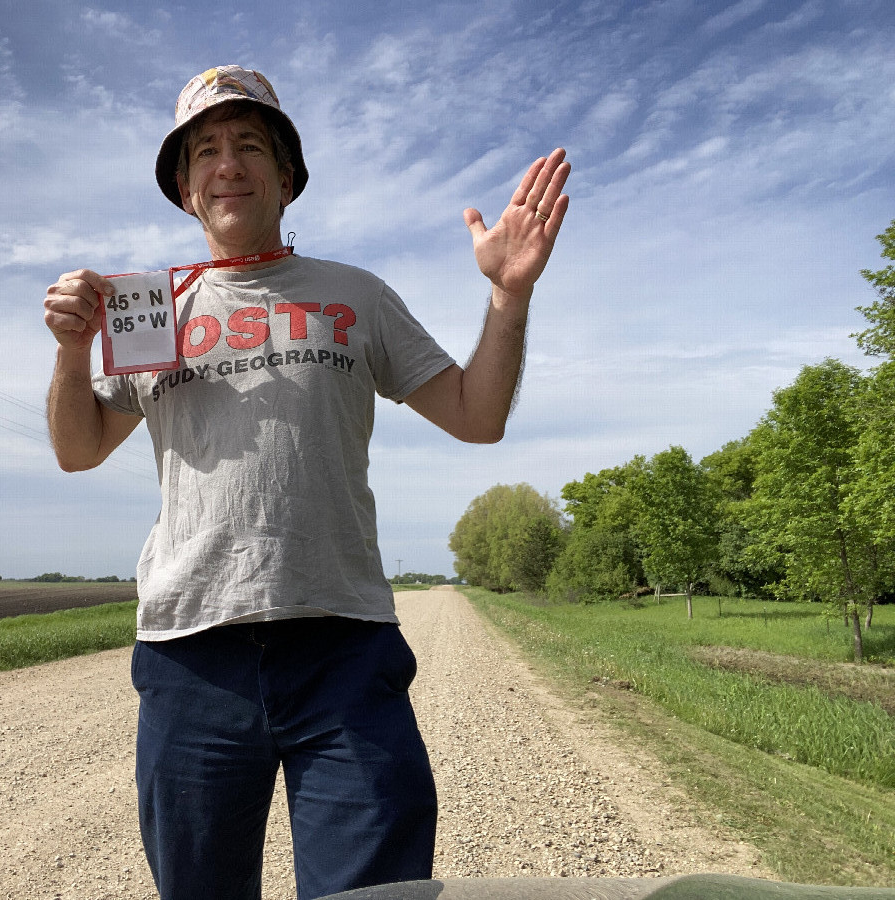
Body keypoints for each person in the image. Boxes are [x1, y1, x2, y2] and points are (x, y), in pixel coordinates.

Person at [43, 65, 569, 900]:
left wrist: (509, 297)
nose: (228, 164)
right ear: (184, 188)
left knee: (375, 895)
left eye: (251, 145)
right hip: (192, 657)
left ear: (286, 178)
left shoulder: (354, 295)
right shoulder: (149, 312)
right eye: (205, 150)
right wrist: (74, 353)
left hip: (343, 651)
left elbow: (476, 415)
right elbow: (79, 449)